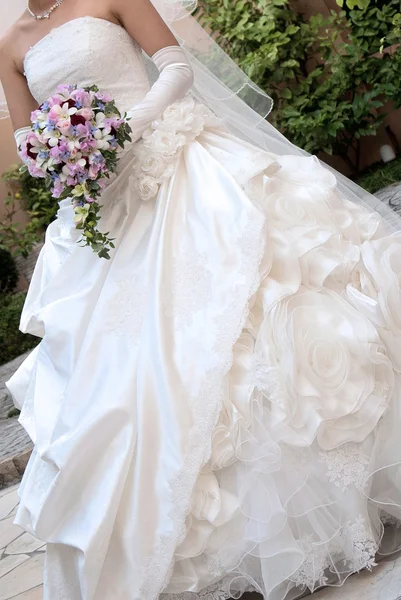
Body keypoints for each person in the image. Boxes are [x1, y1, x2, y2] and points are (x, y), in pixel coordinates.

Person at [1, 0, 401, 598]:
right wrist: (70, 159)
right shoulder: (11, 43)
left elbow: (176, 68)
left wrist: (118, 132)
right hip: (104, 208)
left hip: (178, 165)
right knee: (120, 376)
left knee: (252, 308)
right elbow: (31, 144)